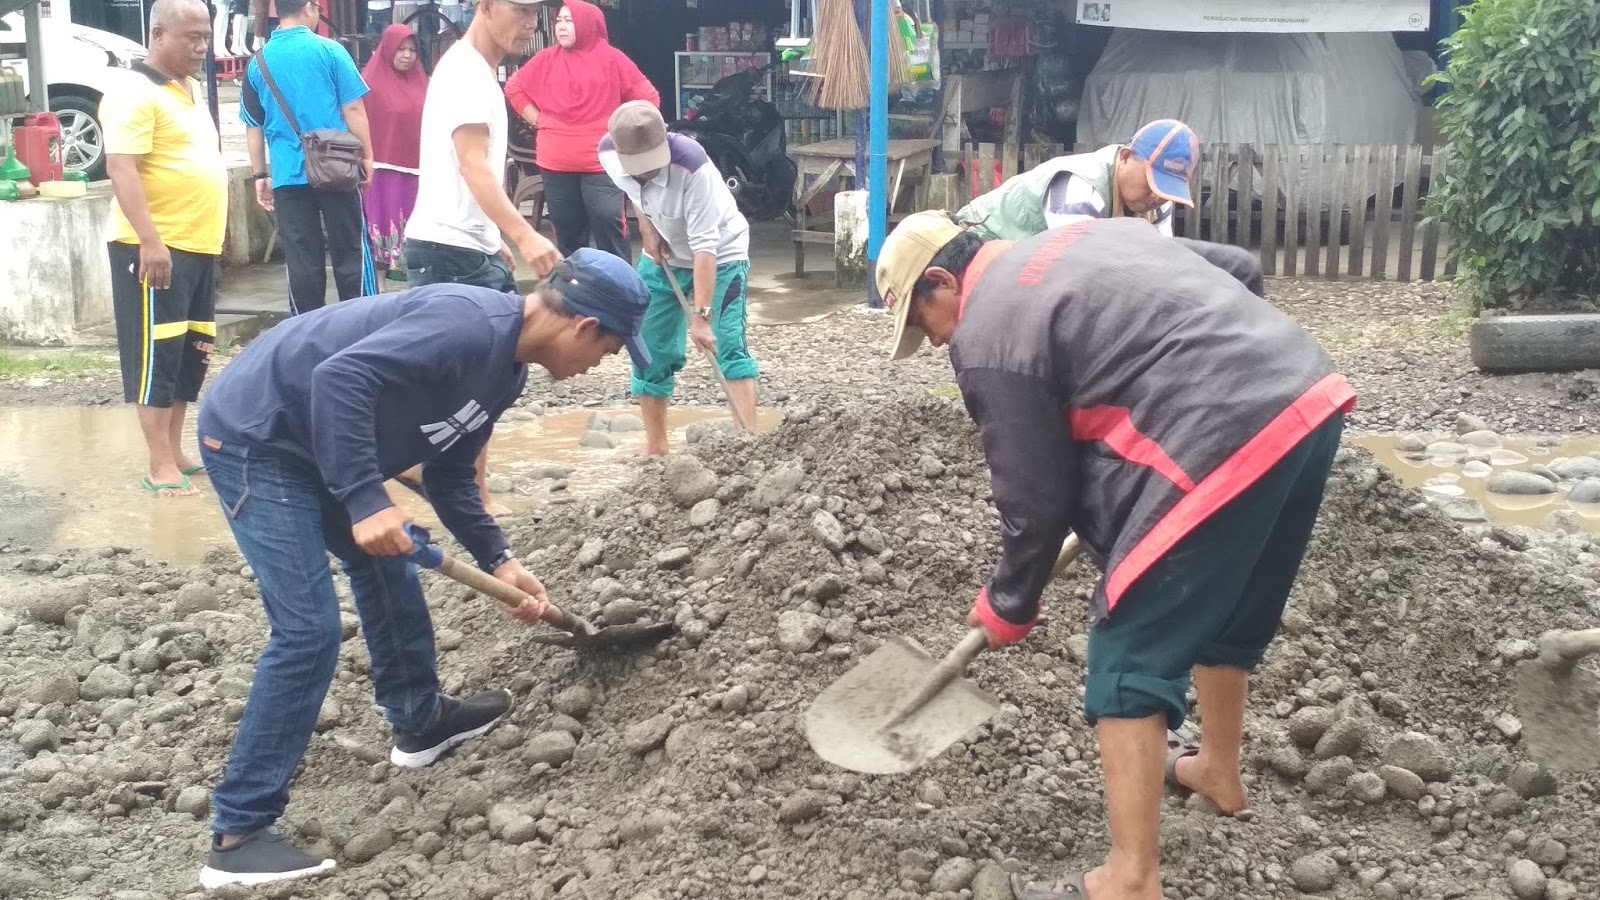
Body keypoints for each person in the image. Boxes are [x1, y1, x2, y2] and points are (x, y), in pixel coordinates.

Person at [875, 210, 1355, 900]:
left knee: (1129, 647)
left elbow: (1035, 497)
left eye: (925, 325)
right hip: (1304, 391)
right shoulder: (1093, 233)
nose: (936, 341)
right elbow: (1240, 270)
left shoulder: (988, 331)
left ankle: (1130, 880)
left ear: (942, 282)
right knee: (1229, 606)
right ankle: (1217, 771)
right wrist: (1230, 363)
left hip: (1213, 435)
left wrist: (1009, 601)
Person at [193, 249, 652, 889]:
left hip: (314, 438)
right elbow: (339, 378)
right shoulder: (466, 325)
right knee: (308, 630)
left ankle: (420, 722)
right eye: (610, 350)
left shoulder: (506, 372)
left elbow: (450, 472)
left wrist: (501, 560)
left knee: (390, 565)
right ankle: (237, 836)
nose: (602, 363)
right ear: (584, 326)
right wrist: (365, 498)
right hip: (259, 436)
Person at [403, 0, 559, 515]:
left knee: (477, 376)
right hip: (449, 247)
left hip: (463, 243)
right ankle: (455, 485)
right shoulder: (467, 74)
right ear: (486, 6)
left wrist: (493, 235)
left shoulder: (474, 71)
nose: (531, 23)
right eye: (522, 10)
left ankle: (451, 481)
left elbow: (468, 171)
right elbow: (473, 166)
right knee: (482, 375)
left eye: (537, 13)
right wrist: (524, 235)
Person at [101, 0, 229, 498]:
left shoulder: (189, 90)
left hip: (197, 244)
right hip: (156, 246)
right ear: (158, 35)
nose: (202, 47)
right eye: (192, 37)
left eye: (206, 37)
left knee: (189, 352)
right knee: (156, 352)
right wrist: (150, 241)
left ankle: (174, 450)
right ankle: (158, 464)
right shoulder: (134, 91)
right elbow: (121, 167)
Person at [599, 100, 759, 457]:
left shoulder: (693, 166)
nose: (646, 174)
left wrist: (701, 317)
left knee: (727, 342)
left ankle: (747, 447)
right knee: (648, 347)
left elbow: (706, 248)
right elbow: (634, 193)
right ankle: (656, 449)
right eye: (637, 167)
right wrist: (647, 227)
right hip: (663, 256)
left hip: (721, 254)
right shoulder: (607, 153)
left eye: (651, 165)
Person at [956, 119, 1264, 296]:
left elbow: (1161, 261)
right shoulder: (1079, 186)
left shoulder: (1157, 200)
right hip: (976, 247)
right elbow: (1080, 272)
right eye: (1152, 183)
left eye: (1166, 190)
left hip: (1037, 260)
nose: (1157, 197)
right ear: (1126, 157)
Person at [242, 0, 377, 314]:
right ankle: (359, 324)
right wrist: (367, 156)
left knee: (301, 261)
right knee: (351, 253)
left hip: (287, 175)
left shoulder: (257, 63)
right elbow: (353, 108)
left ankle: (306, 329)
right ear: (307, 8)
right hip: (337, 168)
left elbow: (253, 125)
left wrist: (260, 174)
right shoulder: (330, 51)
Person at [503, 0, 659, 261]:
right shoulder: (546, 59)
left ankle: (618, 282)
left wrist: (624, 132)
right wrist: (537, 119)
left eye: (569, 21)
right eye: (558, 21)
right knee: (566, 229)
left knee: (607, 220)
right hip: (555, 162)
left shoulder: (612, 59)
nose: (561, 27)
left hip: (601, 162)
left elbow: (648, 98)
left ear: (588, 24)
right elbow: (513, 87)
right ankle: (575, 284)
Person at [361, 24, 428, 282]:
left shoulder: (422, 82)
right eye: (400, 49)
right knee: (382, 229)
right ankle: (378, 288)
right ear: (388, 49)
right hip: (383, 172)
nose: (407, 55)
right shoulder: (370, 83)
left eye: (412, 50)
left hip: (418, 170)